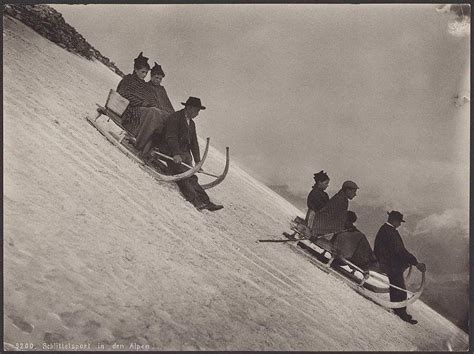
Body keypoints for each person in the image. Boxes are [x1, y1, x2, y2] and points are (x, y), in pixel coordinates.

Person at [158, 96, 223, 211]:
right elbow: (171, 137)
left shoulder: (191, 124)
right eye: (196, 111)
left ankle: (206, 202)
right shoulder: (175, 117)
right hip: (169, 150)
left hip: (182, 154)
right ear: (189, 108)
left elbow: (194, 143)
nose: (197, 114)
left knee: (191, 176)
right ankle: (195, 201)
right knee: (183, 175)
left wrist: (198, 161)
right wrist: (175, 154)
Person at [374, 211, 426, 325]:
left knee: (397, 279)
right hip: (386, 262)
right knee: (399, 283)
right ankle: (401, 311)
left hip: (385, 260)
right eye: (399, 222)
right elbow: (399, 251)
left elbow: (398, 250)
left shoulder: (387, 229)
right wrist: (415, 262)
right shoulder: (390, 232)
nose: (400, 224)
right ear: (395, 220)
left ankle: (399, 308)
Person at [134, 62, 175, 159]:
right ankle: (143, 146)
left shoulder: (162, 90)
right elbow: (146, 101)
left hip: (163, 113)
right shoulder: (146, 86)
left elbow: (167, 103)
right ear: (151, 76)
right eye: (156, 78)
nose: (158, 80)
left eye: (160, 79)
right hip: (150, 114)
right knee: (156, 116)